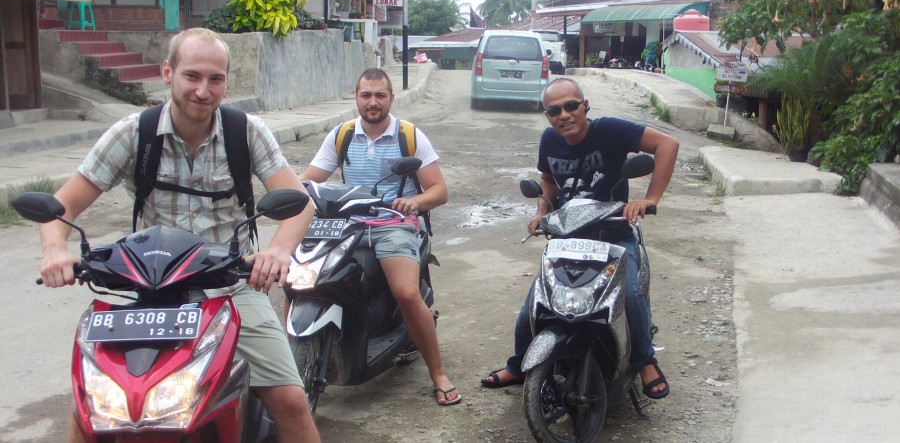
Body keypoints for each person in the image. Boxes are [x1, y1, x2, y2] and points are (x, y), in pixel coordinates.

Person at [37, 28, 321, 443]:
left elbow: (301, 203)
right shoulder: (134, 133)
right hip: (151, 293)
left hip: (230, 287)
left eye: (215, 79)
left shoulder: (246, 132)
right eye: (192, 76)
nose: (203, 91)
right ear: (167, 72)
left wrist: (277, 251)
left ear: (227, 80)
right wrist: (54, 249)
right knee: (91, 407)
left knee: (290, 402)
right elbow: (60, 209)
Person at [481, 77, 679, 400]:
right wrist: (541, 210)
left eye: (571, 106)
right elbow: (547, 179)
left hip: (613, 237)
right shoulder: (549, 140)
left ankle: (644, 359)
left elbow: (667, 145)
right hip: (567, 241)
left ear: (584, 105)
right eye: (554, 110)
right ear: (547, 116)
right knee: (532, 307)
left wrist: (650, 198)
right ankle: (519, 366)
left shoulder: (610, 131)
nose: (564, 115)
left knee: (629, 295)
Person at [298, 68, 460, 406]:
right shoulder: (342, 134)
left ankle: (439, 372)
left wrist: (413, 201)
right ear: (356, 98)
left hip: (393, 223)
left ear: (391, 98)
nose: (373, 102)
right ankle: (292, 363)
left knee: (405, 292)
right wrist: (294, 193)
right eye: (366, 95)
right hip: (347, 223)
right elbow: (309, 179)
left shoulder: (409, 135)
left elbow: (439, 190)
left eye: (380, 96)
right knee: (300, 279)